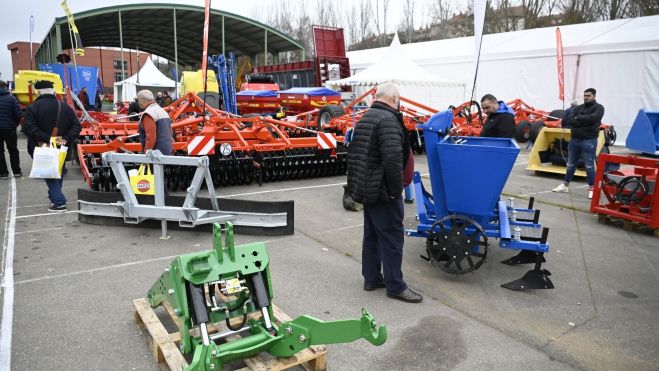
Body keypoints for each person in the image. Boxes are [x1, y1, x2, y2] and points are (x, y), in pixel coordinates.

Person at [346, 83, 423, 304]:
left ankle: (371, 278)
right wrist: (394, 190)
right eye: (399, 99)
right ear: (394, 98)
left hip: (369, 189)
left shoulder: (367, 117)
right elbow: (392, 161)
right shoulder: (388, 120)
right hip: (382, 191)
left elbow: (356, 156)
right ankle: (395, 286)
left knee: (372, 236)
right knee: (392, 239)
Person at [22, 80, 81, 212]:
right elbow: (77, 126)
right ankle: (55, 196)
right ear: (52, 90)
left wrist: (48, 138)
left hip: (41, 146)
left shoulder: (33, 108)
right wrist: (65, 139)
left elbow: (28, 128)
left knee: (49, 173)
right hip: (62, 147)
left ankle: (59, 202)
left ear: (38, 92)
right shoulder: (65, 106)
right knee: (57, 171)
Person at [552, 88, 604, 199]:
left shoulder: (599, 108)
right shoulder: (578, 108)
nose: (586, 97)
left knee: (589, 166)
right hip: (574, 140)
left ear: (594, 96)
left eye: (588, 95)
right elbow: (570, 120)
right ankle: (565, 185)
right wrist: (584, 121)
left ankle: (592, 189)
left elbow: (593, 119)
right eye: (585, 95)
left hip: (589, 140)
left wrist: (579, 118)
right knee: (570, 164)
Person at [136, 89, 173, 155]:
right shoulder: (162, 111)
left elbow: (150, 137)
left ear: (143, 100)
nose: (138, 103)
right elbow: (170, 131)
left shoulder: (148, 113)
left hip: (155, 154)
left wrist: (146, 153)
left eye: (138, 100)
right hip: (167, 150)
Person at [0, 80, 22, 179]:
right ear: (5, 87)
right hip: (10, 128)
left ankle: (3, 173)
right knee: (13, 150)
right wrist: (15, 124)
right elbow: (18, 114)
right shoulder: (12, 99)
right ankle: (16, 171)